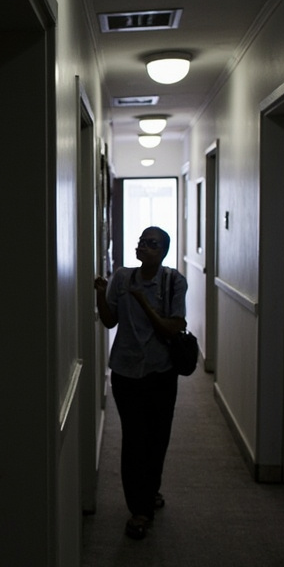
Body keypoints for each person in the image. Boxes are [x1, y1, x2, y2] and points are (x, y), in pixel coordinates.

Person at [94, 226, 187, 540]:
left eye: (152, 243)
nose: (143, 246)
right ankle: (139, 510)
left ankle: (151, 490)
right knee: (135, 439)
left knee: (157, 438)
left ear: (162, 252)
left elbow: (172, 328)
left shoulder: (173, 281)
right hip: (125, 371)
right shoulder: (122, 277)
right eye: (141, 241)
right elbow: (110, 320)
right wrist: (100, 293)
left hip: (161, 372)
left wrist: (143, 303)